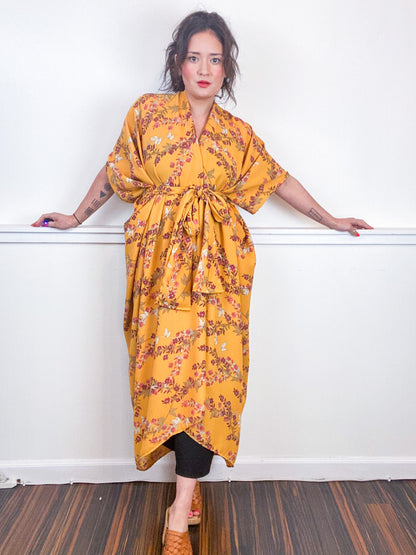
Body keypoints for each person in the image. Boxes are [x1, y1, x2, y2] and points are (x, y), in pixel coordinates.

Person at [32, 11, 372, 554]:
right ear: (178, 63)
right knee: (163, 378)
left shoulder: (237, 135)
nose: (205, 69)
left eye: (215, 59)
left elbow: (278, 179)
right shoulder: (146, 114)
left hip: (219, 274)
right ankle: (187, 489)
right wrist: (76, 216)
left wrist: (330, 219)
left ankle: (178, 512)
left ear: (226, 68)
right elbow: (116, 170)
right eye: (195, 58)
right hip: (158, 271)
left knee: (210, 382)